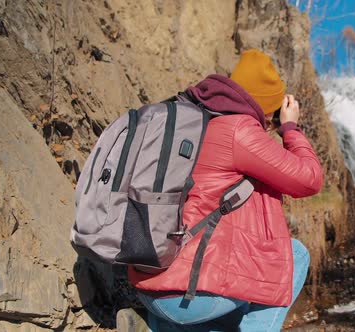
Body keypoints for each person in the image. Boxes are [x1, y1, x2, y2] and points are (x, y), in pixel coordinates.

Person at [123, 49, 323, 331]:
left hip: (149, 286)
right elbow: (310, 179)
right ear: (266, 107)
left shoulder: (196, 119)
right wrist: (290, 127)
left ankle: (160, 326)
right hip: (187, 296)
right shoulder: (239, 131)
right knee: (296, 254)